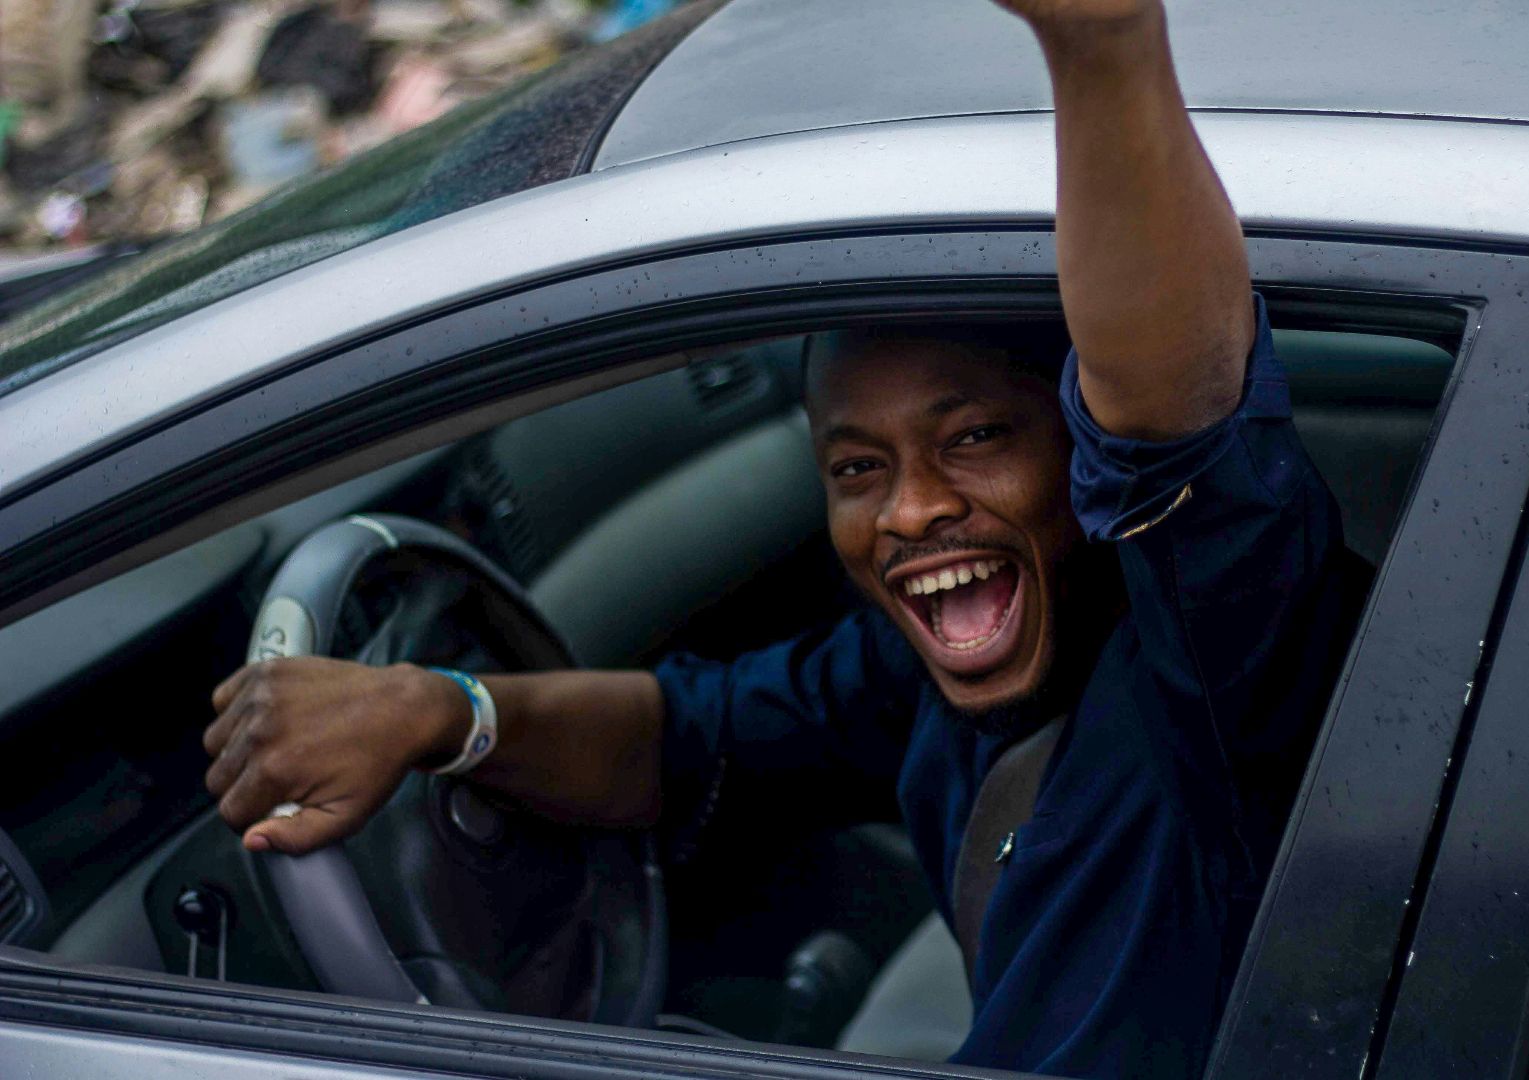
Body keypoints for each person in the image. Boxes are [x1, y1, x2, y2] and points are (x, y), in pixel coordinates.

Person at [202, 2, 1359, 1075]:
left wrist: (1105, 49)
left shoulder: (1212, 659)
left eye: (974, 439)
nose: (909, 512)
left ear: (1076, 435)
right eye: (859, 468)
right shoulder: (929, 672)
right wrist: (441, 712)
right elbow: (695, 739)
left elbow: (1179, 416)